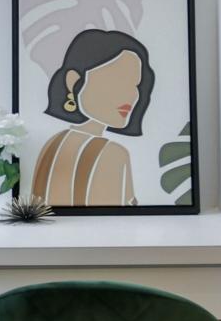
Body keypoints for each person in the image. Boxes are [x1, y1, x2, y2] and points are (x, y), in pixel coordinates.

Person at [32, 29, 155, 206]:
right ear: (73, 81)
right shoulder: (113, 154)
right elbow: (123, 216)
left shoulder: (52, 143)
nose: (130, 94)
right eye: (118, 80)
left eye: (135, 84)